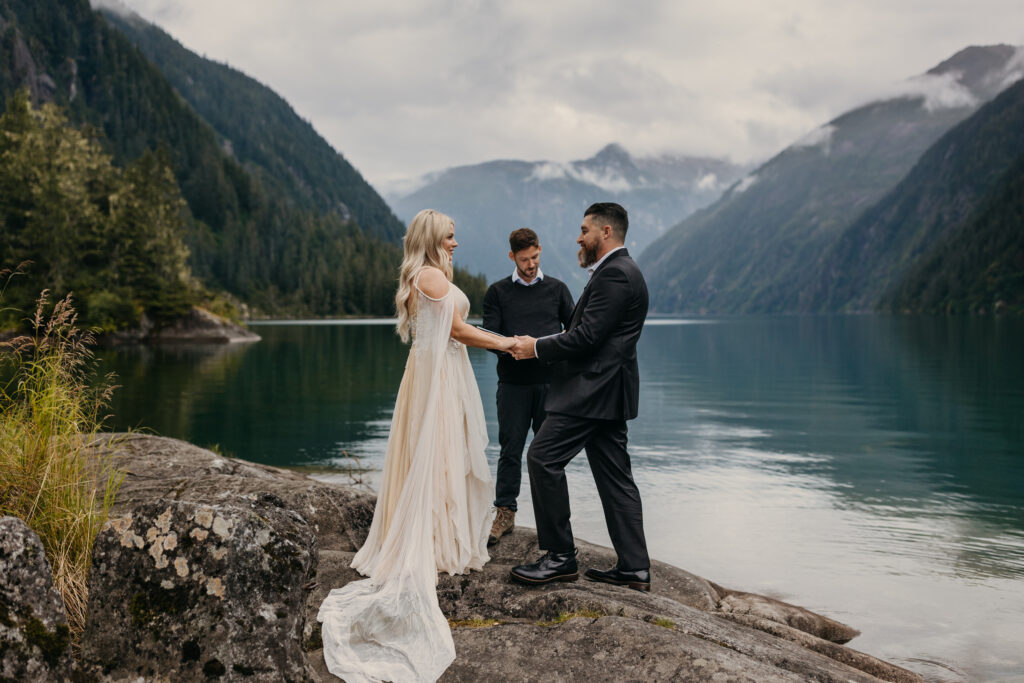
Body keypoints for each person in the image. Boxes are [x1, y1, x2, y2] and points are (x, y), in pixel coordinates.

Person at [317, 209, 514, 683]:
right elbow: (458, 332)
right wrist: (508, 344)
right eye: (450, 236)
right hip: (436, 377)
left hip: (432, 371)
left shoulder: (427, 274)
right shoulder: (428, 274)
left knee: (440, 456)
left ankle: (436, 535)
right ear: (432, 239)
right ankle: (431, 540)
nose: (456, 243)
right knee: (437, 454)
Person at [508, 202, 652, 592]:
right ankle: (634, 568)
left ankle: (559, 557)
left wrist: (535, 347)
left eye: (585, 229)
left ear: (606, 232)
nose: (578, 237)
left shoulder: (616, 275)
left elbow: (586, 337)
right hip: (608, 392)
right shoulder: (620, 271)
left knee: (542, 458)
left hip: (591, 391)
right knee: (616, 477)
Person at [481, 228, 574, 546]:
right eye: (524, 259)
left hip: (552, 387)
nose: (531, 264)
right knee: (510, 451)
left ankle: (553, 521)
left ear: (540, 251)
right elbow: (489, 337)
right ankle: (505, 513)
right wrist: (512, 346)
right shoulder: (497, 293)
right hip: (513, 387)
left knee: (550, 456)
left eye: (535, 257)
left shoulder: (558, 290)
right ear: (512, 257)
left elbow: (573, 335)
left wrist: (541, 348)